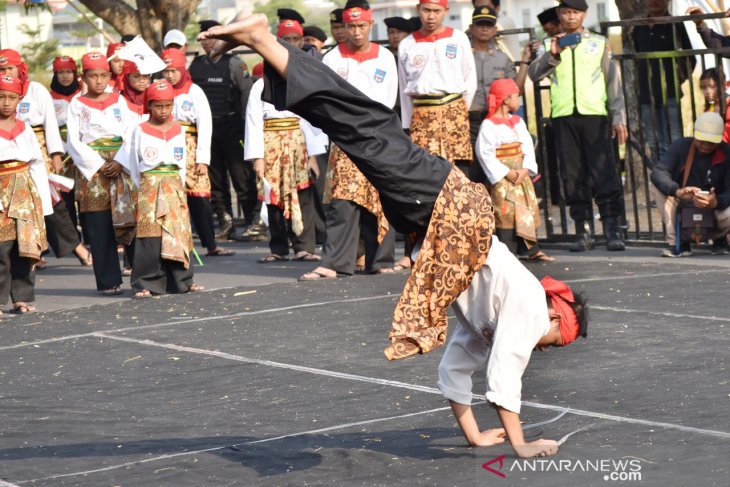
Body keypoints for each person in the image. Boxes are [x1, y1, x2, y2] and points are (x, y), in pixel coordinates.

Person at [199, 12, 589, 458]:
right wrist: (520, 445)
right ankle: (262, 40)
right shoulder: (533, 312)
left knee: (356, 123)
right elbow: (504, 375)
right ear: (557, 318)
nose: (543, 348)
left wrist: (476, 436)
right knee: (361, 124)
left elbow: (456, 372)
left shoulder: (487, 324)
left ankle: (265, 44)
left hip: (436, 212)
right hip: (447, 204)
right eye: (554, 343)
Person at [301, 0, 397, 280]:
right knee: (342, 201)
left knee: (381, 198)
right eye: (351, 26)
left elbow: (389, 99)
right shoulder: (332, 58)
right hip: (345, 138)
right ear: (343, 27)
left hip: (377, 136)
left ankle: (382, 259)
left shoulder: (385, 57)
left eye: (361, 26)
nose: (356, 32)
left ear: (370, 25)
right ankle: (334, 262)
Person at [528, 0, 627, 252]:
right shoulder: (554, 43)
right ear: (559, 14)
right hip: (564, 117)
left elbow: (613, 82)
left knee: (603, 171)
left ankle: (612, 227)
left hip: (594, 114)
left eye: (575, 12)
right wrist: (552, 55)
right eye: (566, 12)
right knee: (573, 176)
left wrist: (618, 117)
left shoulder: (598, 42)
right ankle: (583, 229)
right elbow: (534, 74)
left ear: (584, 14)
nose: (570, 17)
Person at [0, 51, 92, 270]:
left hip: (36, 149)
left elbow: (51, 123)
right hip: (5, 153)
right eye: (2, 70)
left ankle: (76, 247)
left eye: (10, 68)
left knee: (50, 202)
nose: (6, 73)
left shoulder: (36, 90)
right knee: (14, 210)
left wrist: (56, 155)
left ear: (20, 69)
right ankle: (34, 252)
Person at [115, 80, 204, 298]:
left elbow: (181, 163)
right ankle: (145, 282)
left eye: (167, 106)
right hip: (149, 185)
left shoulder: (178, 129)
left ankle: (182, 280)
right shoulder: (140, 130)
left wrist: (179, 187)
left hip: (173, 184)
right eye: (158, 106)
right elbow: (134, 165)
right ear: (149, 106)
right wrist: (144, 187)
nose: (163, 111)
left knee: (178, 232)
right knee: (149, 236)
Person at [66, 52, 138, 296]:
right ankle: (108, 280)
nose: (98, 81)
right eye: (92, 76)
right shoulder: (76, 103)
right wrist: (96, 163)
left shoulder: (119, 101)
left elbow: (131, 133)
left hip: (120, 163)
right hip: (93, 169)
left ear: (110, 76)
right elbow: (73, 140)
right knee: (99, 223)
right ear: (83, 77)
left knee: (128, 219)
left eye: (103, 76)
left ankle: (142, 276)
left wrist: (119, 160)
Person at [244, 61, 324, 263]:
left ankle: (304, 247)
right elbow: (253, 122)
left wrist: (313, 154)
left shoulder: (297, 82)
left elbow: (308, 118)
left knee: (303, 193)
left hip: (297, 142)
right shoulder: (259, 86)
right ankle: (278, 247)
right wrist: (258, 157)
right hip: (270, 142)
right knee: (272, 195)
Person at [189, 20, 262, 242]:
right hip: (208, 131)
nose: (208, 42)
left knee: (242, 178)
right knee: (216, 181)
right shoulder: (196, 65)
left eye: (212, 37)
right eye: (204, 38)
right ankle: (225, 223)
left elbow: (247, 97)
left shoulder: (234, 63)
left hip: (232, 128)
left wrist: (244, 131)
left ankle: (253, 223)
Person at [161, 48, 234, 258]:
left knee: (199, 197)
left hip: (190, 146)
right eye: (166, 71)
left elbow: (205, 125)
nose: (170, 75)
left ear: (182, 69)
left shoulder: (194, 91)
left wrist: (203, 158)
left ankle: (210, 244)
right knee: (170, 196)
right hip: (165, 146)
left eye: (174, 70)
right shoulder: (157, 90)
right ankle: (174, 243)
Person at [476, 79, 553, 262]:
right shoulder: (489, 125)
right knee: (506, 211)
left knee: (524, 208)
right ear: (505, 99)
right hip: (504, 177)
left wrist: (525, 169)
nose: (518, 101)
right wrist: (506, 173)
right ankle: (508, 251)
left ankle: (531, 249)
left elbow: (527, 146)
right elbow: (485, 153)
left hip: (521, 174)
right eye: (515, 97)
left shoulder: (518, 122)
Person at [398, 0, 476, 172]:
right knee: (425, 169)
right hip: (421, 115)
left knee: (459, 170)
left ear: (446, 11)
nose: (431, 16)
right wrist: (408, 124)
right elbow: (405, 89)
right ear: (418, 9)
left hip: (455, 112)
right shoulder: (407, 44)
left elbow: (470, 78)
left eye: (436, 11)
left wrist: (460, 109)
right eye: (426, 10)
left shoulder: (459, 38)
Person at [0, 74, 53, 314]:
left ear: (20, 99)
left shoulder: (26, 129)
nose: (6, 103)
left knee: (24, 248)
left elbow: (37, 165)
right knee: (1, 250)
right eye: (1, 97)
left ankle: (21, 297)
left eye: (12, 98)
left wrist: (42, 200)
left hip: (24, 192)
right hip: (1, 192)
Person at [650, 112, 730, 256]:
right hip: (683, 205)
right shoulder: (681, 146)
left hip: (716, 210)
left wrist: (716, 201)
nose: (706, 145)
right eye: (702, 140)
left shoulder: (727, 153)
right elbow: (658, 172)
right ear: (694, 135)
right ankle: (677, 242)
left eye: (711, 142)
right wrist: (677, 191)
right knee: (658, 189)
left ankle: (719, 238)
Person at [633, 0, 695, 162]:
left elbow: (691, 59)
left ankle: (678, 178)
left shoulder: (675, 24)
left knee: (675, 138)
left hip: (670, 93)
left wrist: (675, 79)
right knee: (653, 142)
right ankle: (661, 180)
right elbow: (633, 58)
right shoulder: (638, 27)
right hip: (647, 94)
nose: (654, 2)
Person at [468, 6, 518, 184]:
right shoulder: (463, 55)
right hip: (470, 122)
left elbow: (514, 89)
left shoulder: (502, 58)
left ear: (495, 29)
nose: (484, 28)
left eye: (488, 25)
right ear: (471, 28)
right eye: (480, 24)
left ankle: (496, 211)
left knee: (497, 171)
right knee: (472, 171)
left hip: (495, 123)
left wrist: (526, 61)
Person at [50, 55, 89, 255]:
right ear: (55, 74)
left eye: (69, 72)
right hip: (61, 153)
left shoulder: (83, 94)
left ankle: (90, 236)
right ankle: (74, 238)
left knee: (85, 195)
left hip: (81, 150)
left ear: (75, 74)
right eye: (61, 72)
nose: (65, 77)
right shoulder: (49, 97)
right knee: (65, 197)